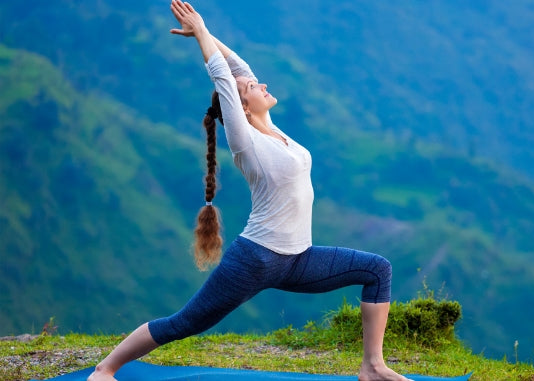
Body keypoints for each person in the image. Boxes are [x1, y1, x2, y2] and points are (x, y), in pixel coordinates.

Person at [88, 1, 411, 380]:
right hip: (256, 259)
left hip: (299, 258)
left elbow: (236, 67)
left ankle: (372, 367)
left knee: (377, 270)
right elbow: (225, 77)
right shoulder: (245, 140)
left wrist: (205, 36)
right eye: (254, 87)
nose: (261, 84)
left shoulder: (272, 129)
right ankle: (105, 368)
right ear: (241, 105)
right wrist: (203, 32)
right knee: (185, 322)